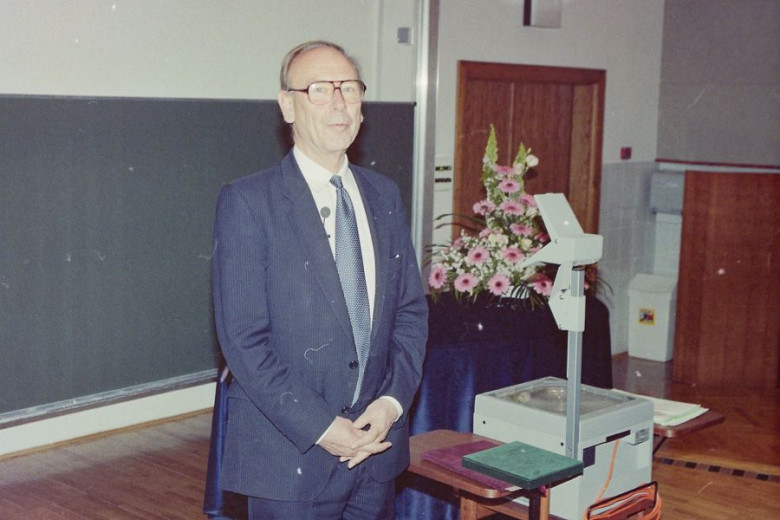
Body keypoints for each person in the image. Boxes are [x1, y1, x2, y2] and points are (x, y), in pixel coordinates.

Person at [211, 40, 428, 520]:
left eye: (349, 89)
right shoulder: (248, 202)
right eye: (319, 89)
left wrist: (391, 404)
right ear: (287, 105)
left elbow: (410, 311)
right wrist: (323, 426)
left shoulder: (384, 195)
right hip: (291, 459)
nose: (338, 103)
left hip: (376, 454)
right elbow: (244, 340)